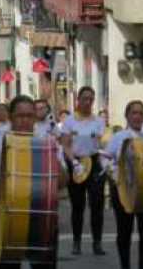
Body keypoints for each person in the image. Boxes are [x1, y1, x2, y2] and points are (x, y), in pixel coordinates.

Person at [0, 94, 67, 269]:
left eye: (29, 116)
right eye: (20, 116)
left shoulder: (47, 143)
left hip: (41, 218)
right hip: (6, 219)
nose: (25, 121)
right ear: (11, 117)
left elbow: (62, 182)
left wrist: (54, 158)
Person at [104, 100, 143, 269]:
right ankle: (125, 265)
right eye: (134, 113)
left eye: (141, 113)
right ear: (127, 116)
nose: (137, 116)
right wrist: (112, 172)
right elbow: (105, 157)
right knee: (124, 232)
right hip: (123, 189)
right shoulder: (119, 137)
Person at [60, 86, 106, 255]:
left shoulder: (98, 121)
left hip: (94, 164)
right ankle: (77, 241)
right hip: (77, 163)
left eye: (91, 99)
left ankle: (97, 242)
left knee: (97, 205)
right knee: (78, 206)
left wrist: (105, 161)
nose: (87, 102)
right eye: (84, 98)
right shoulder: (70, 121)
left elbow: (102, 144)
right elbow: (65, 144)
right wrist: (73, 161)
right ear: (78, 100)